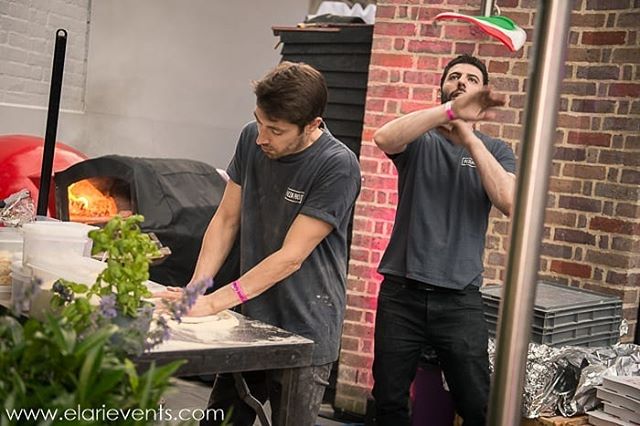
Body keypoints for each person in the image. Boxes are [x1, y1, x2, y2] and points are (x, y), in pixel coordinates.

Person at [158, 61, 361, 426]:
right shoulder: (252, 140)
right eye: (260, 122)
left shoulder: (338, 165)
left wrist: (215, 302)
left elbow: (290, 257)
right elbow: (225, 220)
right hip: (249, 319)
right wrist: (196, 289)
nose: (261, 137)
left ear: (313, 125)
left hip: (305, 329)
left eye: (276, 130)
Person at [371, 54, 517, 426]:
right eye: (454, 76)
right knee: (388, 402)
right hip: (401, 293)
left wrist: (469, 138)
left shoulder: (497, 151)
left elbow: (510, 201)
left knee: (477, 405)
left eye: (472, 78)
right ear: (443, 89)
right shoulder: (419, 140)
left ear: (482, 94)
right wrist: (450, 112)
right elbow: (384, 136)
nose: (462, 81)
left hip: (459, 299)